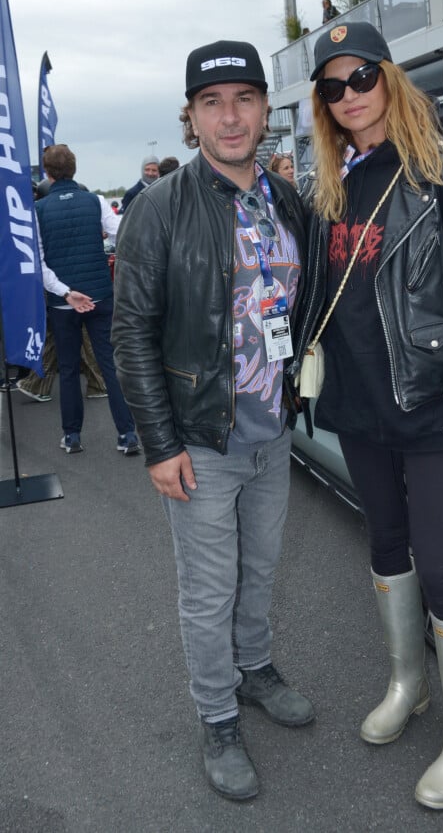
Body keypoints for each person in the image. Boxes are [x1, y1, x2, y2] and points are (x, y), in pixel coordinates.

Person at [297, 22, 443, 810]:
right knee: (385, 545)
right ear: (320, 100)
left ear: (389, 76)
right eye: (332, 85)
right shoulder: (329, 183)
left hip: (427, 404)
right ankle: (406, 680)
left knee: (440, 560)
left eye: (361, 77)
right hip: (356, 401)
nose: (350, 95)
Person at [112, 39, 313, 802]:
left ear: (265, 109)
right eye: (211, 103)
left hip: (272, 427)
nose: (230, 117)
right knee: (207, 588)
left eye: (244, 99)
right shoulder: (160, 206)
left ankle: (254, 668)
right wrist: (159, 444)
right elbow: (131, 328)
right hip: (201, 437)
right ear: (191, 120)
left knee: (260, 569)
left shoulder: (285, 197)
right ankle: (218, 714)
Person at [36, 144, 140, 456]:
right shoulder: (95, 201)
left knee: (68, 369)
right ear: (74, 169)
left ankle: (72, 436)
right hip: (99, 296)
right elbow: (125, 234)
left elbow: (39, 264)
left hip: (64, 302)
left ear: (48, 173)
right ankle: (127, 435)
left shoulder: (38, 211)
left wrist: (65, 291)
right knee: (110, 364)